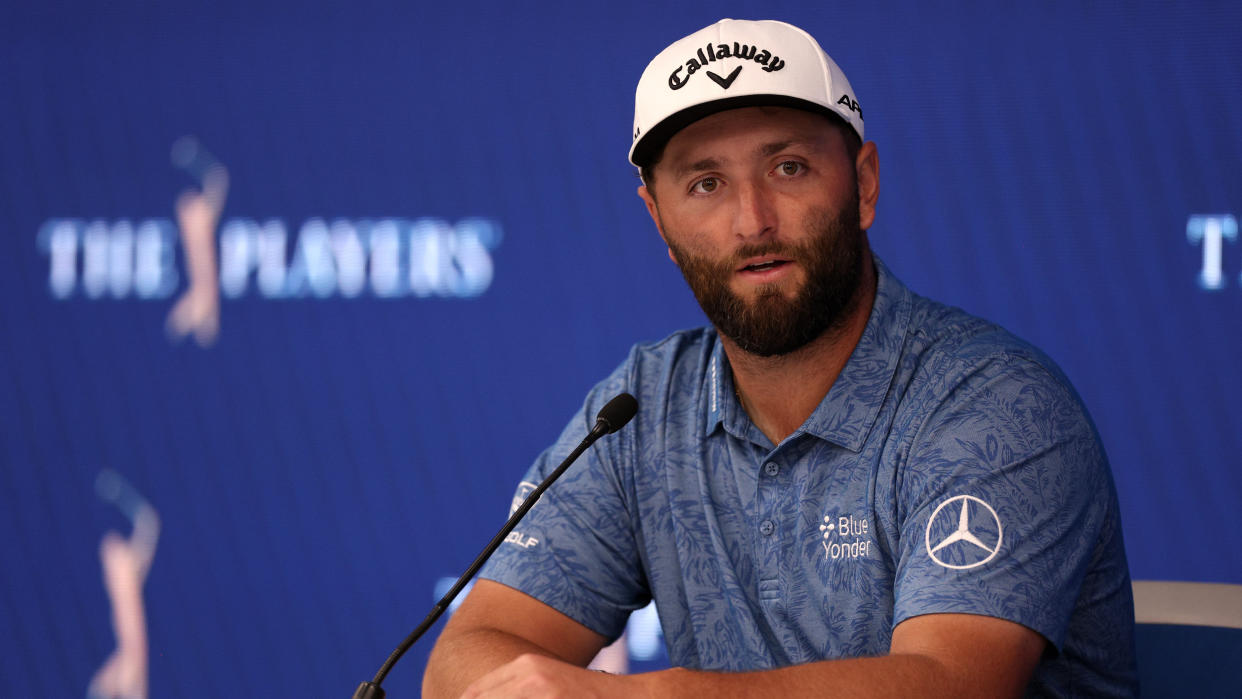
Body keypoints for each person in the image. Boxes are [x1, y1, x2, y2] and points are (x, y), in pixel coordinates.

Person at [423, 18, 1137, 698]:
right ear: (659, 221)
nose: (752, 219)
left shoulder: (995, 404)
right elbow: (470, 650)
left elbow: (951, 684)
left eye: (788, 167)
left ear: (864, 184)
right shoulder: (642, 408)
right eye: (705, 183)